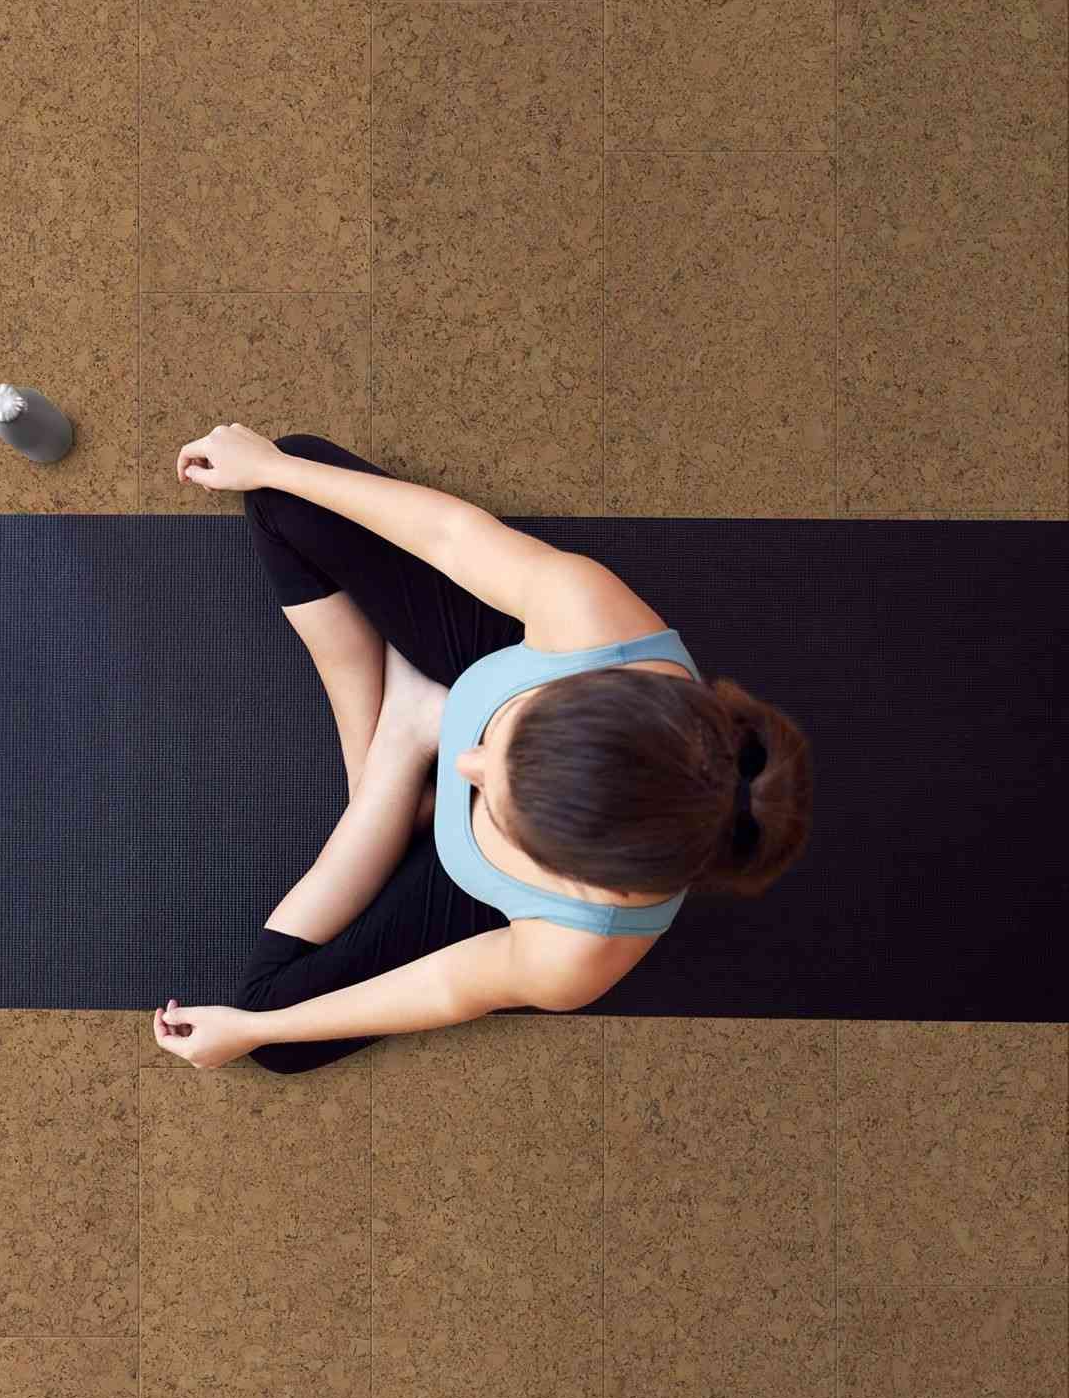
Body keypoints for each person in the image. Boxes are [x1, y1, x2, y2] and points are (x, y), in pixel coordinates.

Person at [152, 427, 812, 1072]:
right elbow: (452, 536)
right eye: (498, 739)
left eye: (492, 802)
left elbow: (449, 988)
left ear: (573, 870)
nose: (464, 761)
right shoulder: (590, 622)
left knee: (271, 1035)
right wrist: (271, 468)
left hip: (464, 801)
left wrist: (256, 1027)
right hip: (479, 662)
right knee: (287, 484)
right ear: (578, 686)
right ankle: (391, 750)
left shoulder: (575, 950)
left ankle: (399, 751)